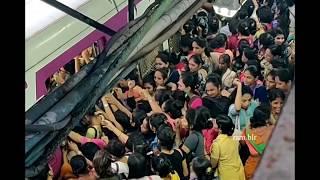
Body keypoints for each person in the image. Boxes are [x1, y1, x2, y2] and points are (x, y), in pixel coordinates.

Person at [241, 106, 274, 180]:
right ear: (266, 119)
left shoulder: (247, 132)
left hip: (251, 168)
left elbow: (242, 143)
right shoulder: (273, 130)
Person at [210, 115, 245, 180]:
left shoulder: (217, 144)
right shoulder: (234, 138)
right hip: (239, 172)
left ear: (220, 129)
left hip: (227, 175)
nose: (213, 122)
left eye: (215, 122)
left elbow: (213, 163)